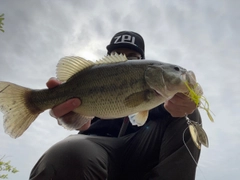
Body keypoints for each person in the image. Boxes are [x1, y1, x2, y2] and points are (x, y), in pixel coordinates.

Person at [29, 31, 201, 180]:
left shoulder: (167, 99)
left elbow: (191, 94)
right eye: (117, 54)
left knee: (190, 117)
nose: (125, 60)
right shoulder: (94, 80)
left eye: (132, 57)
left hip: (143, 151)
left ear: (142, 62)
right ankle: (31, 102)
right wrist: (72, 119)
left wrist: (192, 98)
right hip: (95, 149)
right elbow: (78, 122)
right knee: (67, 152)